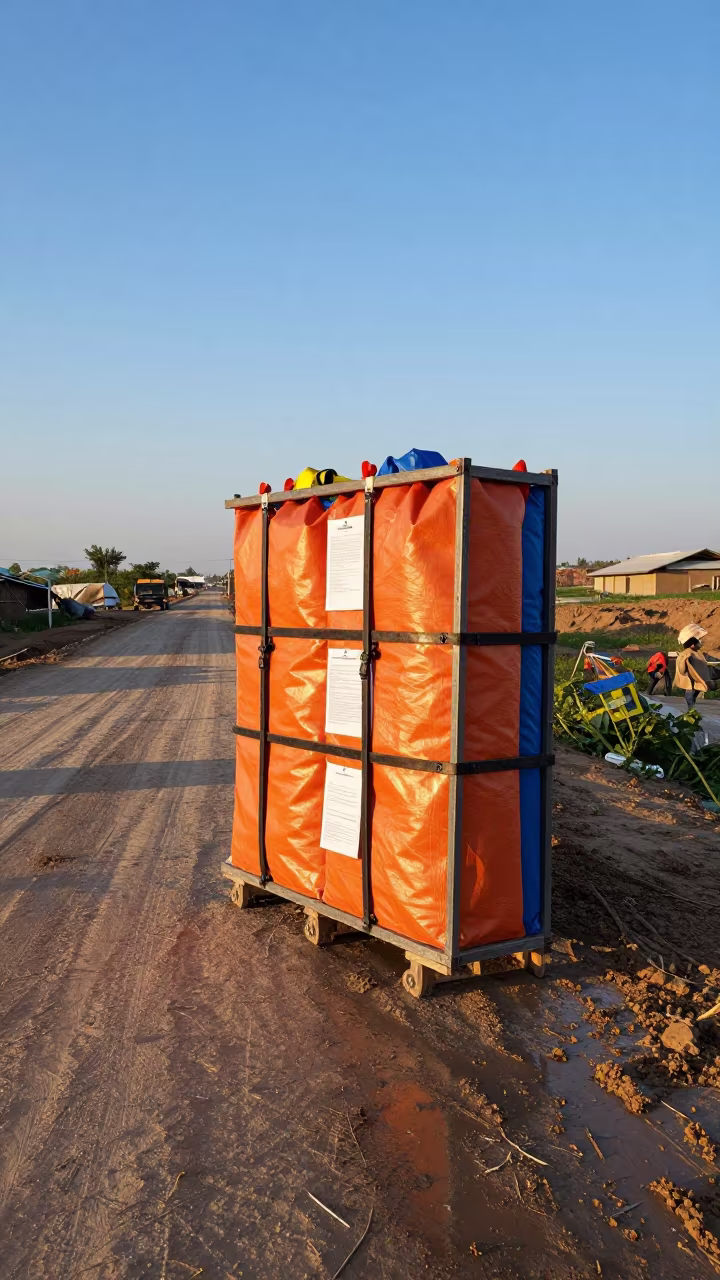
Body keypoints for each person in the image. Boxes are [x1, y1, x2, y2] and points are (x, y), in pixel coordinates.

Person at [674, 624, 717, 709]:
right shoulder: (686, 654)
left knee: (693, 697)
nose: (700, 642)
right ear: (692, 644)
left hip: (697, 682)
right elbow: (682, 670)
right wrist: (684, 660)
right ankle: (689, 712)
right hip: (690, 683)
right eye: (699, 640)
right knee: (690, 698)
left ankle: (691, 709)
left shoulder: (697, 653)